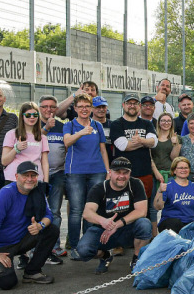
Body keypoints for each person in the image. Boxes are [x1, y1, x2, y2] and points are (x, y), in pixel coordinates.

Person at [0, 161, 58, 288]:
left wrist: (40, 226)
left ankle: (32, 272)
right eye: (25, 175)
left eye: (33, 176)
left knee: (52, 230)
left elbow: (49, 215)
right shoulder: (5, 193)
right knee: (7, 283)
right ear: (17, 177)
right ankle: (2, 261)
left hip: (21, 240)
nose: (29, 179)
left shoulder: (38, 190)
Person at [74, 157, 152, 272]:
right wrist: (103, 221)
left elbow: (142, 211)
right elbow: (87, 213)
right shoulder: (99, 188)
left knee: (144, 224)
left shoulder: (135, 184)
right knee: (83, 250)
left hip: (127, 229)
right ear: (110, 172)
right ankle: (105, 255)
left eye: (125, 172)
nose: (121, 176)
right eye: (117, 172)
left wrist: (117, 224)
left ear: (130, 173)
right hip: (103, 231)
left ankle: (136, 259)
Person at [62, 93, 109, 254]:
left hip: (97, 171)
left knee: (92, 210)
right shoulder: (70, 125)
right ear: (75, 108)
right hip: (75, 172)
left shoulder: (97, 126)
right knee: (76, 210)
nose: (84, 109)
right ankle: (74, 246)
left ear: (91, 108)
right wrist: (81, 132)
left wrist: (107, 170)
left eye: (87, 106)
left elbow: (103, 149)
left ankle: (88, 245)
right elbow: (67, 142)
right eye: (80, 106)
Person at [109, 94, 158, 235]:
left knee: (145, 208)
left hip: (144, 173)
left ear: (139, 106)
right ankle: (118, 242)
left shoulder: (147, 123)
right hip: (122, 174)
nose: (132, 105)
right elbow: (123, 146)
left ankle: (144, 238)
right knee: (120, 207)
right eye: (129, 103)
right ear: (123, 105)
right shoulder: (117, 124)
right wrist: (143, 141)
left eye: (135, 103)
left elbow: (154, 142)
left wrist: (139, 141)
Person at [154, 157, 194, 233]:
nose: (184, 170)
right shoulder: (168, 186)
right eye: (180, 168)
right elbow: (157, 206)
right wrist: (159, 191)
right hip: (170, 222)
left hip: (189, 222)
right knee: (176, 223)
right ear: (174, 170)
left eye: (186, 168)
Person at [38, 95, 68, 257]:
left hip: (57, 174)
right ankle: (36, 246)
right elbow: (33, 141)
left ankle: (54, 245)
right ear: (39, 108)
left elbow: (68, 149)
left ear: (57, 109)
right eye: (44, 106)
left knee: (55, 212)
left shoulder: (63, 127)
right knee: (36, 211)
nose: (48, 109)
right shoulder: (33, 124)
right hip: (37, 176)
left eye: (52, 107)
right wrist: (46, 128)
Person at [2, 102, 50, 185]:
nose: (32, 117)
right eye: (28, 115)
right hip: (14, 178)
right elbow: (4, 161)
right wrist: (16, 149)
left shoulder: (42, 138)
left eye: (35, 115)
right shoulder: (12, 134)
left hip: (35, 179)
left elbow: (44, 162)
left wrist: (46, 182)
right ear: (22, 116)